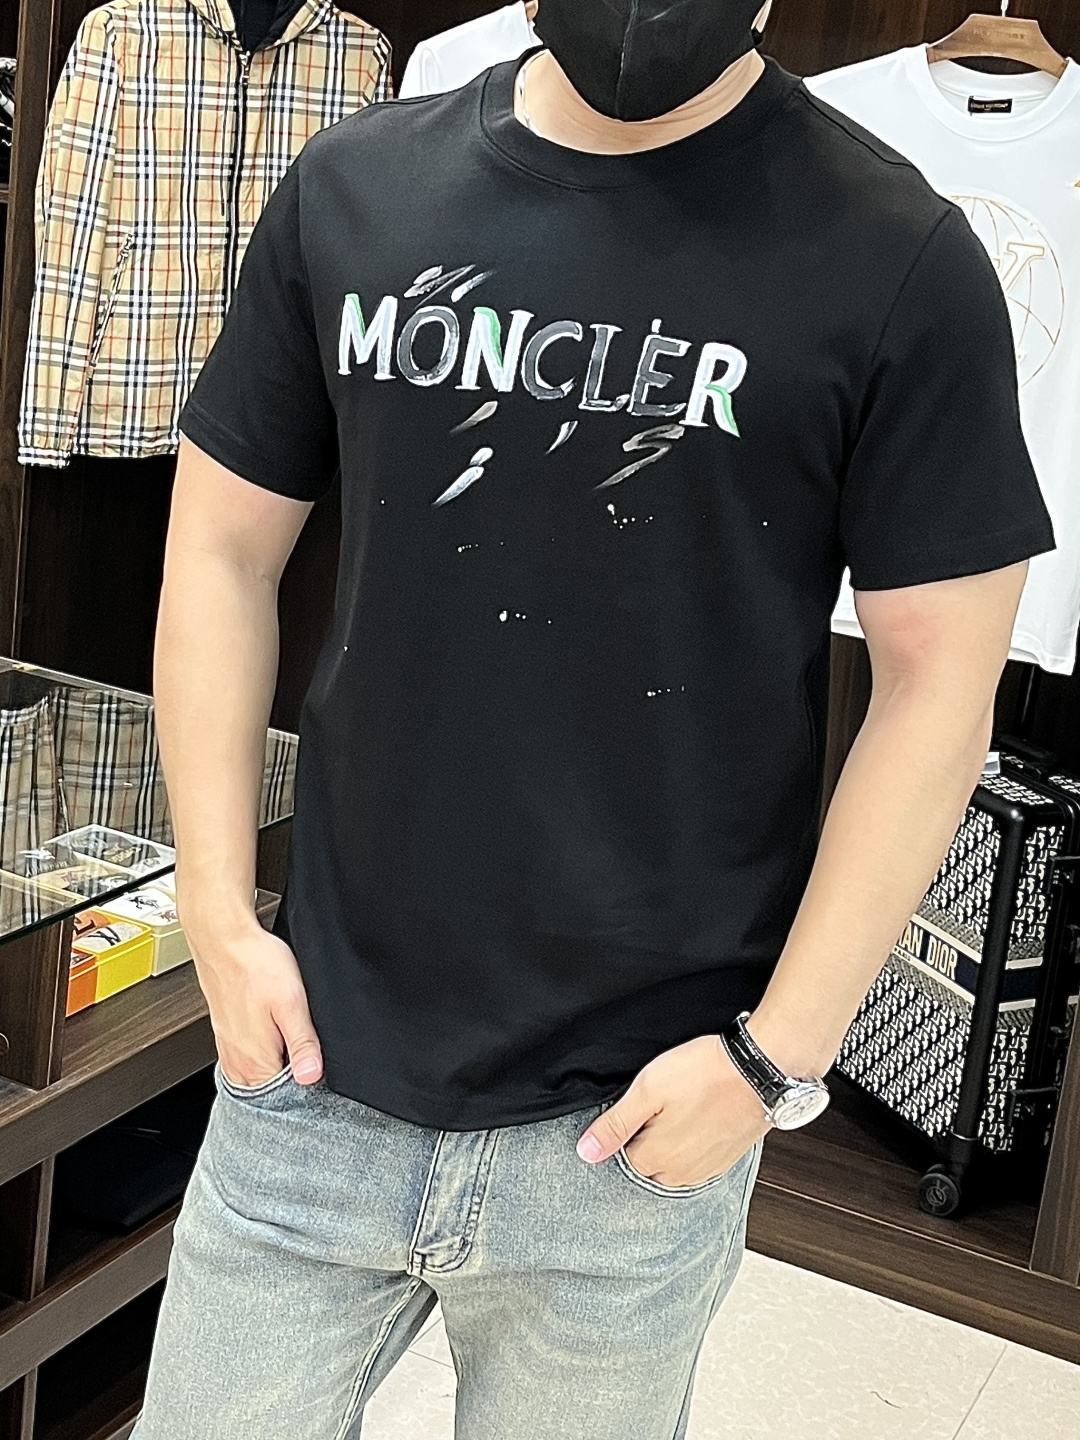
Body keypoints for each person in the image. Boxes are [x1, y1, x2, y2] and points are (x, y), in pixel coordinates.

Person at [137, 1, 1055, 1436]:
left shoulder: (895, 254)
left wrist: (775, 1060)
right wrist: (212, 907)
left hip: (637, 1124)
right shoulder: (356, 187)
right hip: (313, 1061)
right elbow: (219, 549)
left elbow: (940, 685)